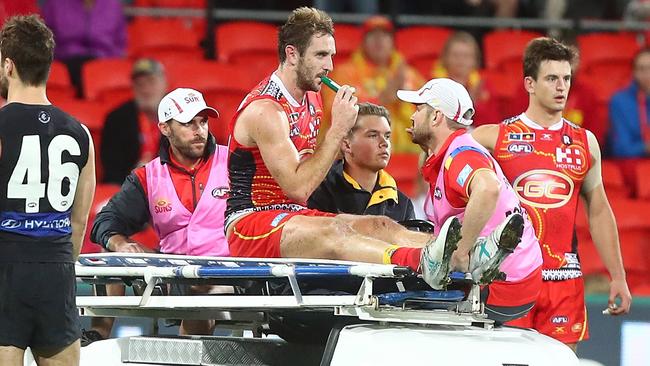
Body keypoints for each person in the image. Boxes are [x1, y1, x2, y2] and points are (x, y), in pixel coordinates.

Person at [225, 7, 522, 292]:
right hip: (251, 224)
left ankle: (465, 254)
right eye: (320, 55)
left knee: (379, 224)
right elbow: (299, 188)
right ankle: (423, 261)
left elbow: (308, 167)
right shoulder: (266, 110)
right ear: (292, 54)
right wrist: (339, 130)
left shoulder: (310, 99)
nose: (329, 65)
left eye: (331, 55)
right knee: (338, 233)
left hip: (292, 218)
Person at [472, 37, 632, 351]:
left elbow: (599, 211)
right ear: (529, 84)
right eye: (551, 78)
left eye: (566, 78)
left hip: (564, 279)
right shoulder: (493, 138)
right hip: (511, 277)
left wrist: (618, 275)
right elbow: (450, 169)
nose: (561, 87)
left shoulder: (585, 142)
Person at [86, 88, 229, 342]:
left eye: (203, 121)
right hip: (173, 270)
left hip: (231, 271)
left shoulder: (233, 163)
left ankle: (187, 351)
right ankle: (98, 336)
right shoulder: (148, 177)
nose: (199, 130)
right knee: (107, 253)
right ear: (165, 128)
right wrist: (121, 243)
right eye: (188, 123)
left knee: (200, 298)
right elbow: (104, 221)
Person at [397, 78, 542, 322]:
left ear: (436, 118)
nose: (412, 116)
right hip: (517, 276)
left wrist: (461, 252)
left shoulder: (459, 154)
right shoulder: (454, 152)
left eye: (419, 109)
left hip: (499, 286)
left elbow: (488, 188)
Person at [0, 15, 95, 366]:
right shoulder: (80, 133)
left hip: (6, 269)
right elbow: (79, 220)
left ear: (8, 65)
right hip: (56, 271)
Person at [323, 15, 424, 153]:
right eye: (373, 35)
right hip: (356, 151)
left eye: (384, 36)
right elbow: (334, 112)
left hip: (408, 150)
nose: (379, 41)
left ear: (393, 42)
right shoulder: (344, 73)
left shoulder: (408, 74)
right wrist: (383, 99)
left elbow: (427, 113)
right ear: (363, 42)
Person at [308, 102, 415, 221]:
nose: (384, 143)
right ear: (346, 144)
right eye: (373, 135)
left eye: (387, 136)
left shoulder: (402, 204)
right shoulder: (320, 192)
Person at [101, 58, 168, 184]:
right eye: (140, 84)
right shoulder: (116, 120)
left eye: (151, 82)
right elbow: (111, 170)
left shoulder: (180, 117)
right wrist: (133, 177)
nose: (146, 89)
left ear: (164, 84)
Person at [42, 0, 126, 97]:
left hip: (103, 60)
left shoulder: (113, 5)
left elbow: (120, 43)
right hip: (67, 60)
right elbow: (44, 39)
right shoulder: (55, 4)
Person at [430, 31, 501, 126]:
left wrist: (476, 105)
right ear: (445, 58)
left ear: (475, 61)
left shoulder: (483, 87)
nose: (461, 60)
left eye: (466, 56)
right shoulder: (433, 85)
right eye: (455, 55)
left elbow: (493, 125)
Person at [606, 47, 650, 158]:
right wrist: (645, 147)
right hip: (632, 164)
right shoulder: (619, 101)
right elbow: (621, 148)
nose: (647, 74)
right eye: (642, 69)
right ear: (633, 72)